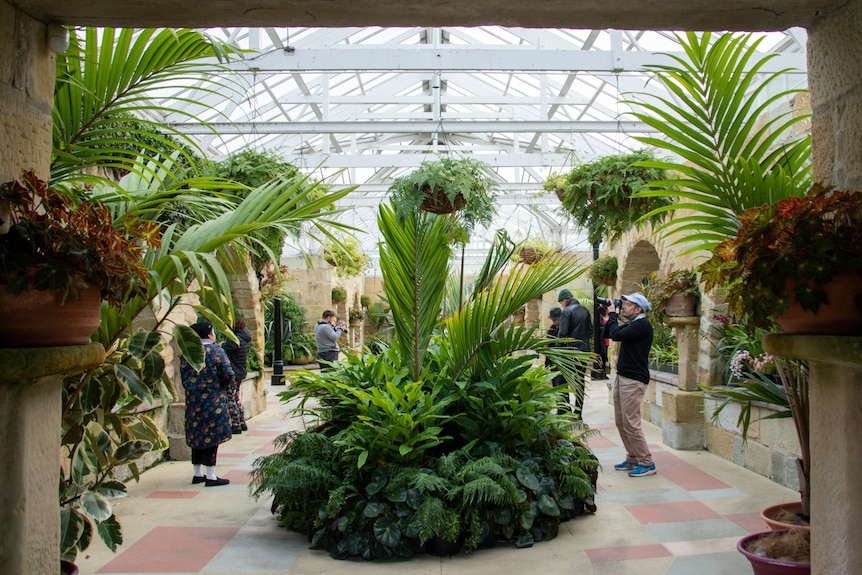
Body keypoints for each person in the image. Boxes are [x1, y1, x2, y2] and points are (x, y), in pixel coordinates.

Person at [603, 292, 656, 478]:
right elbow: (610, 332)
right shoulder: (634, 324)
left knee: (631, 422)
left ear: (638, 309)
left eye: (628, 305)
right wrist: (609, 315)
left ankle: (646, 462)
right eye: (623, 304)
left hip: (633, 380)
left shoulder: (642, 325)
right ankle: (633, 457)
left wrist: (612, 315)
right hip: (623, 377)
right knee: (621, 421)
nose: (624, 306)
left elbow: (616, 335)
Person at [180, 321, 234, 487]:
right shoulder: (216, 351)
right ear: (209, 333)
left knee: (197, 433)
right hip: (213, 400)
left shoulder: (188, 352)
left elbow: (183, 376)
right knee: (212, 435)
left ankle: (198, 473)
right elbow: (227, 374)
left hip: (193, 400)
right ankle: (211, 475)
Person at [557, 288, 592, 416]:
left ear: (565, 301)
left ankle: (566, 411)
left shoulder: (567, 311)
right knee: (579, 381)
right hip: (584, 351)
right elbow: (590, 331)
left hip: (570, 352)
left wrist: (557, 349)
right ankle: (578, 413)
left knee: (561, 380)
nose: (561, 305)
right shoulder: (585, 310)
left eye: (561, 302)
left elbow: (563, 333)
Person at [223, 317, 251, 434]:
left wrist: (221, 344)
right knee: (235, 397)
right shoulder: (245, 338)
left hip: (233, 372)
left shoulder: (235, 339)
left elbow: (224, 350)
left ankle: (235, 424)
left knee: (231, 397)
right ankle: (241, 421)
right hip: (240, 371)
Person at [545, 306, 568, 412]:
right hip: (553, 362)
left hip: (562, 361)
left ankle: (564, 409)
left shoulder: (564, 328)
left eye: (555, 319)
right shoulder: (551, 329)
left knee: (562, 385)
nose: (554, 321)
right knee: (556, 385)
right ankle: (560, 408)